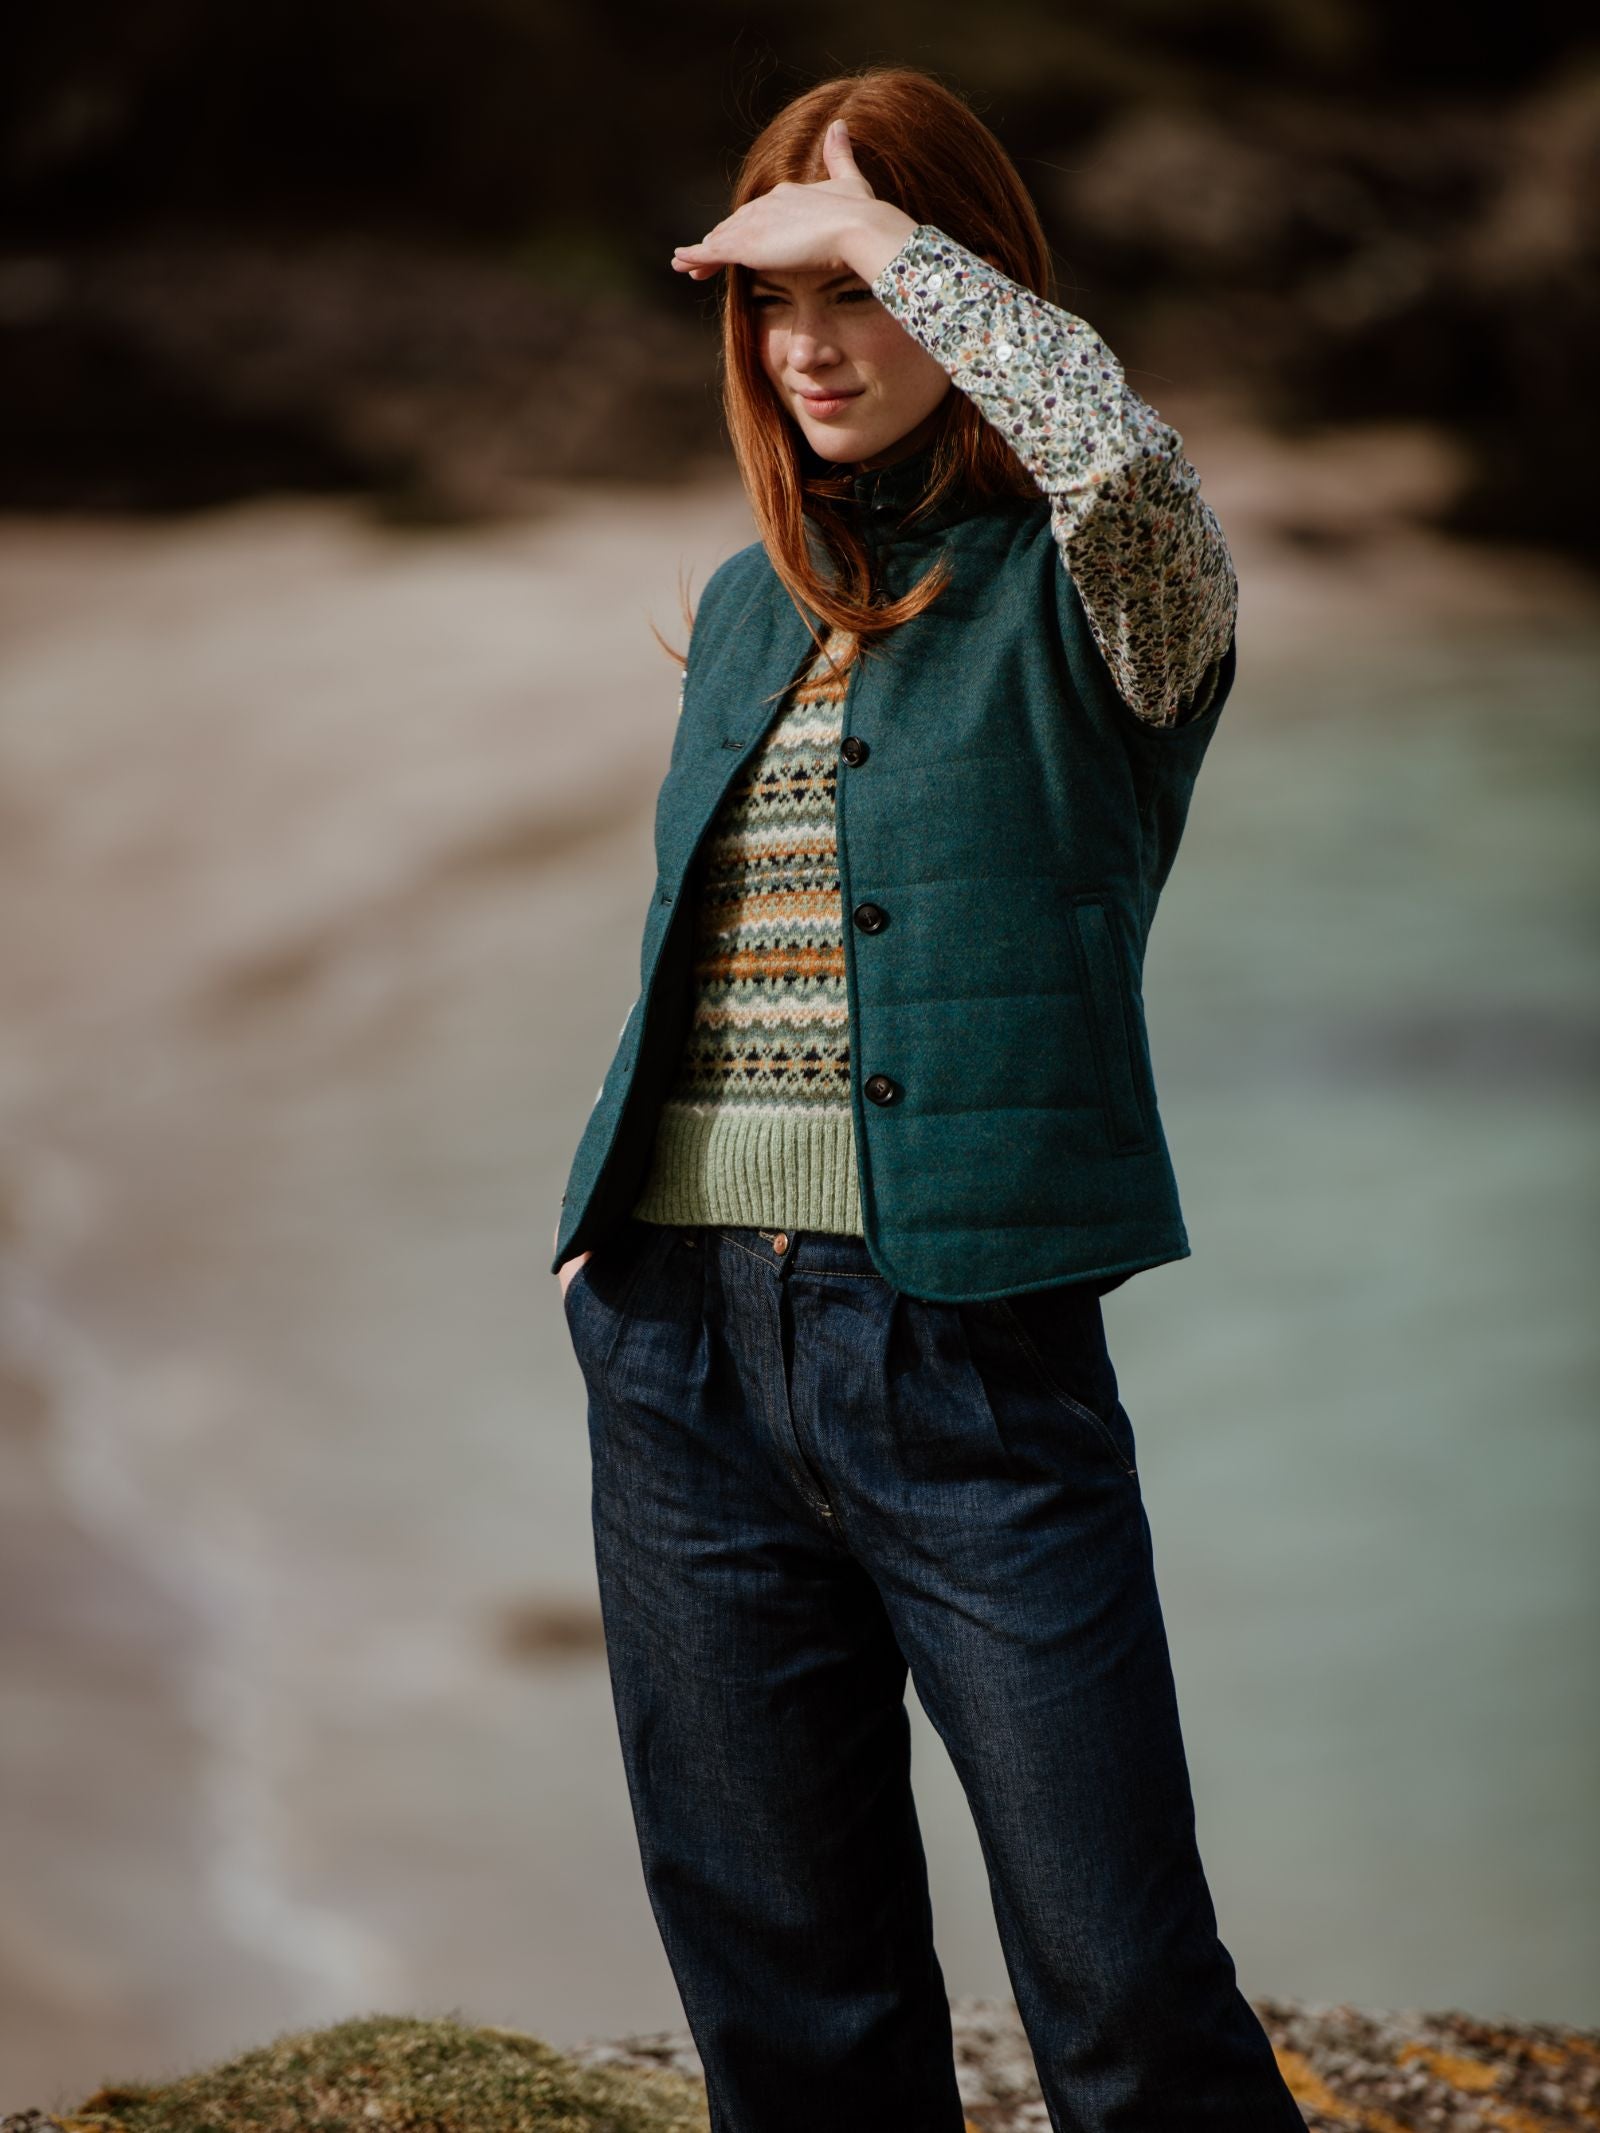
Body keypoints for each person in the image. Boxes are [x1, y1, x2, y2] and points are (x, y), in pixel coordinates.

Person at [552, 64, 1304, 2133]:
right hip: (680, 1363)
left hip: (964, 1352)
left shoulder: (1100, 596)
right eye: (771, 293)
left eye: (852, 288)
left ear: (960, 287)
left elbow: (1123, 466)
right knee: (790, 2013)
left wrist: (877, 223)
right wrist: (602, 1267)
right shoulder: (734, 609)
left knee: (1124, 1992)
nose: (805, 337)